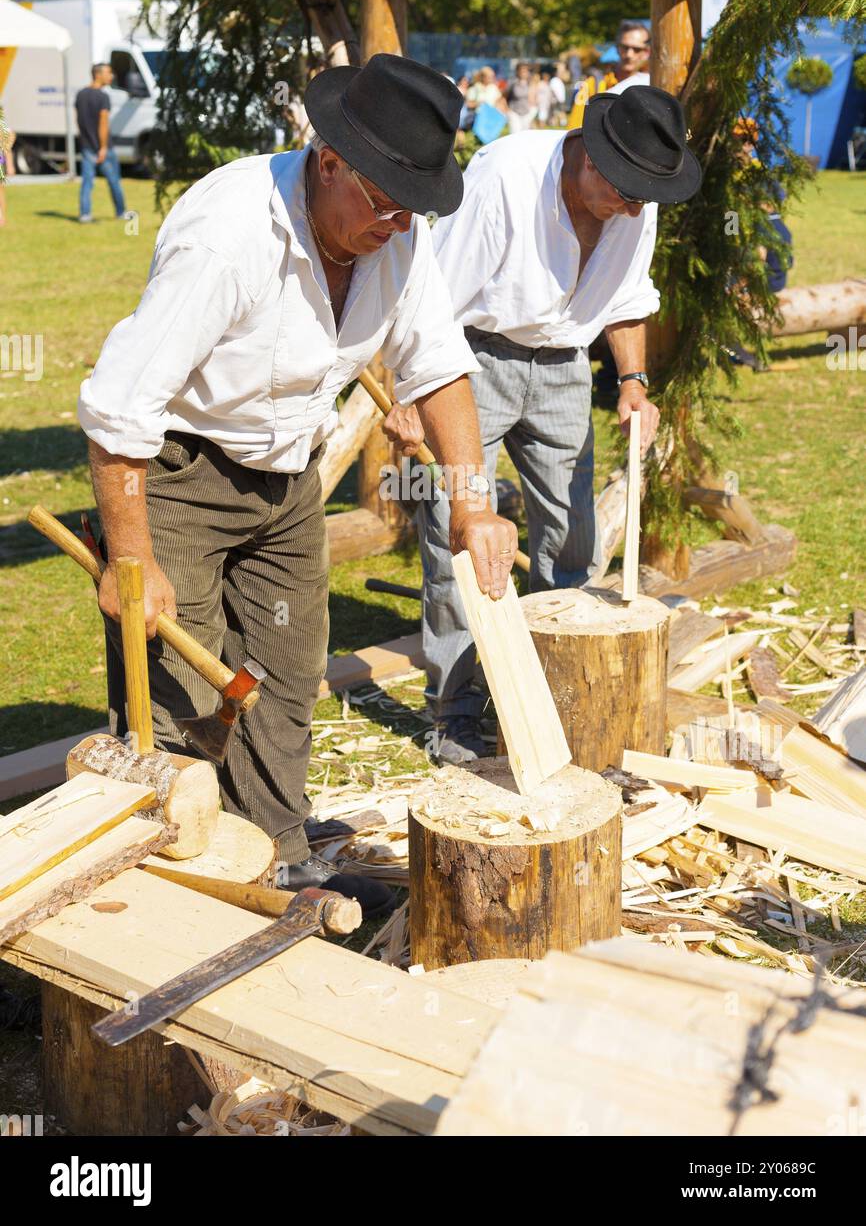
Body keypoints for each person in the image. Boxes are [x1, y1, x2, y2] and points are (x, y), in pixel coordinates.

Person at [78, 54, 518, 915]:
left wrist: (470, 501)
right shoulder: (227, 237)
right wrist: (132, 560)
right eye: (385, 202)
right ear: (327, 163)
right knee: (183, 689)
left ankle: (277, 858)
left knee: (285, 669)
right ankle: (176, 875)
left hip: (286, 478)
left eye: (412, 206)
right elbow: (118, 408)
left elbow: (438, 366)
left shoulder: (395, 233)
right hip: (178, 470)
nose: (398, 224)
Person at [408, 86, 702, 762]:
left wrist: (632, 381)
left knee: (572, 531)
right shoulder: (503, 177)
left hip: (566, 359)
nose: (633, 209)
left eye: (643, 197)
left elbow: (627, 298)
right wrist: (415, 396)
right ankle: (455, 710)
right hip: (473, 357)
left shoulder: (637, 197)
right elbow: (435, 297)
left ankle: (554, 685)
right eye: (625, 192)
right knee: (459, 528)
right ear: (590, 157)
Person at [567, 23, 652, 129]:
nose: (629, 54)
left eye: (637, 49)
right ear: (617, 48)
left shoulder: (652, 87)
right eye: (625, 47)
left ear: (647, 52)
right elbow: (574, 130)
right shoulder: (593, 85)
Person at [75, 63, 127, 224]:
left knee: (87, 182)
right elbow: (103, 124)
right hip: (102, 148)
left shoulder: (81, 94)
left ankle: (85, 215)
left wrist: (86, 140)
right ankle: (121, 212)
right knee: (114, 182)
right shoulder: (102, 97)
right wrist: (103, 147)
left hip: (86, 146)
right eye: (108, 72)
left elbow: (79, 120)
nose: (111, 76)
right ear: (97, 75)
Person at [504, 61, 537, 133]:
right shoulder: (512, 83)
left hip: (526, 113)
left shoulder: (530, 83)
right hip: (514, 113)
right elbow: (504, 97)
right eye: (522, 71)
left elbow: (532, 99)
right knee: (515, 134)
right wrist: (508, 110)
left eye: (526, 71)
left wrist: (532, 113)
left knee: (525, 135)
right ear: (517, 71)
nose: (524, 73)